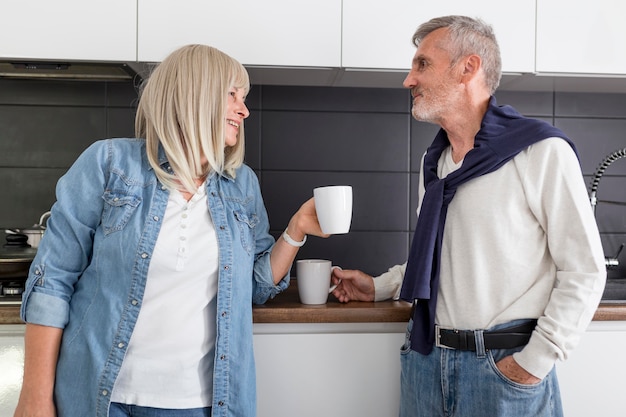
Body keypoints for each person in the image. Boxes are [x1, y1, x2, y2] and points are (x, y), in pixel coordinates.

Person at [13, 44, 326, 417]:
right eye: (232, 94)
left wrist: (296, 230)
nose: (244, 110)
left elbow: (255, 288)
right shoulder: (109, 164)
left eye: (244, 98)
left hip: (200, 405)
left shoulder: (241, 185)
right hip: (100, 398)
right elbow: (52, 283)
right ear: (194, 94)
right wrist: (34, 398)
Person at [331, 15, 606, 417]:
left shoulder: (540, 152)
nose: (409, 79)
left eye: (422, 64)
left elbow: (586, 270)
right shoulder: (436, 162)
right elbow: (442, 258)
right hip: (425, 363)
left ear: (468, 68)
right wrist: (380, 285)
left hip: (502, 371)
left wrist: (532, 365)